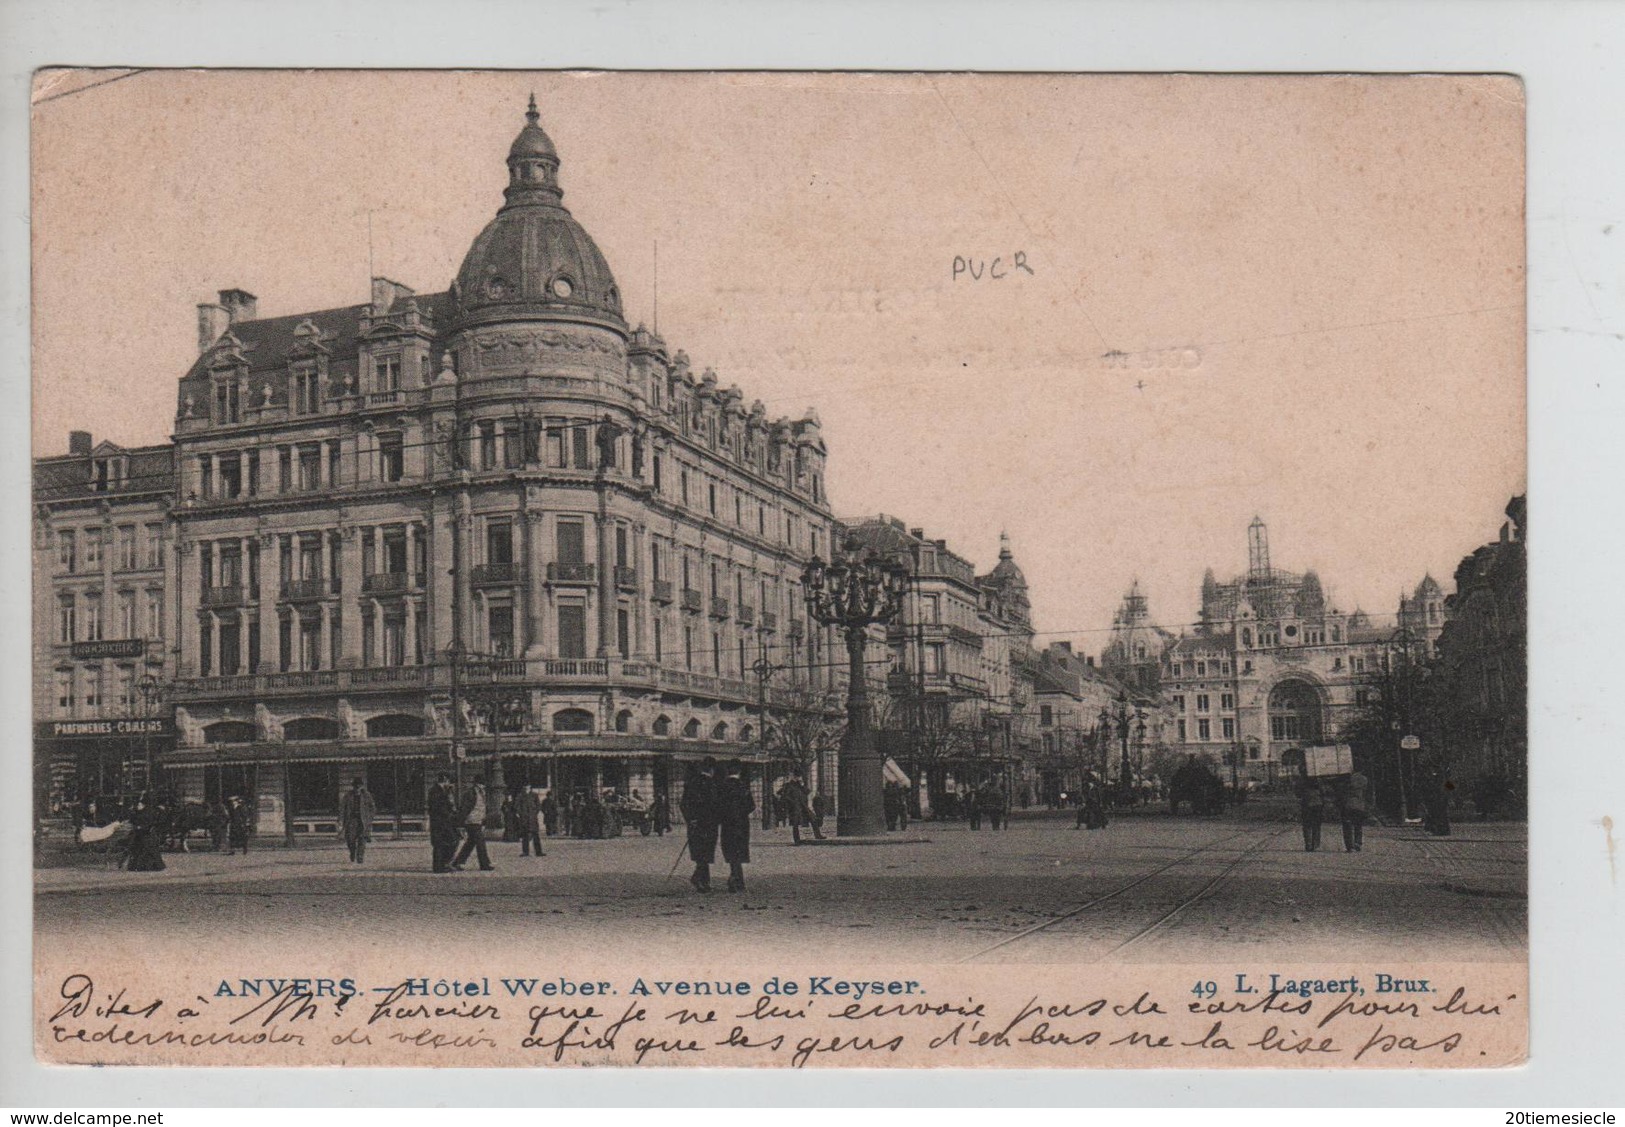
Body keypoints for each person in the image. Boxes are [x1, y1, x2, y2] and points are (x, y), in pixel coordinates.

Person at [680, 758, 721, 893]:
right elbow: (715, 805)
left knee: (700, 853)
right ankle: (699, 878)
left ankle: (704, 881)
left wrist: (690, 819)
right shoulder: (712, 784)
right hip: (709, 824)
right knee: (706, 853)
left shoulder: (691, 783)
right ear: (712, 770)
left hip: (695, 824)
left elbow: (683, 804)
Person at [717, 761, 756, 893]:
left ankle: (735, 877)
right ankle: (737, 879)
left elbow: (718, 806)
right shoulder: (743, 787)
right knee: (739, 851)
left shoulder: (722, 787)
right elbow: (752, 806)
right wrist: (741, 813)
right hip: (742, 824)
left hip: (727, 824)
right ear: (739, 772)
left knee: (731, 851)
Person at [452, 777, 495, 871]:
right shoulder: (470, 794)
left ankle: (458, 862)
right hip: (471, 821)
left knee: (471, 842)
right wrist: (460, 824)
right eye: (481, 784)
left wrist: (483, 822)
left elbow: (483, 809)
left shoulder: (482, 793)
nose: (482, 787)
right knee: (480, 842)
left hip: (478, 821)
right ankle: (484, 864)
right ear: (477, 784)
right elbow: (464, 809)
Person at [125, 792, 166, 872]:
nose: (137, 807)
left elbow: (150, 824)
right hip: (141, 834)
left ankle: (147, 866)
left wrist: (141, 827)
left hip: (147, 834)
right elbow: (133, 821)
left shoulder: (147, 813)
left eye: (139, 805)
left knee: (145, 847)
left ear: (143, 805)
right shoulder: (138, 813)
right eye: (137, 805)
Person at [340, 777, 376, 864]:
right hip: (351, 820)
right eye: (356, 787)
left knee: (362, 839)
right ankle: (352, 852)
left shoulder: (366, 795)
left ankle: (360, 856)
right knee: (350, 839)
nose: (357, 788)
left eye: (359, 786)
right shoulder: (348, 796)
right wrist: (341, 820)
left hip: (363, 820)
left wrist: (369, 818)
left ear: (362, 786)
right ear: (353, 787)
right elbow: (342, 808)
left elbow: (372, 808)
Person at [428, 773, 459, 873]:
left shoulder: (441, 790)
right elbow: (438, 806)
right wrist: (449, 814)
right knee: (441, 844)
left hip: (443, 821)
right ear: (445, 780)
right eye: (448, 781)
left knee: (445, 842)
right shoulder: (436, 790)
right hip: (439, 822)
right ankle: (440, 866)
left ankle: (443, 864)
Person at [1340, 770, 1371, 852]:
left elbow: (1341, 791)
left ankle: (1350, 846)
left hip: (1348, 804)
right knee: (1358, 824)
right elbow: (1366, 792)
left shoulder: (1346, 780)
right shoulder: (1364, 779)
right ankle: (1358, 842)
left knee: (1348, 825)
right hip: (1359, 805)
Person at [780, 773, 812, 844]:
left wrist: (802, 785)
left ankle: (818, 835)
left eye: (798, 777)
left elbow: (808, 792)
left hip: (802, 806)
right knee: (795, 824)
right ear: (793, 777)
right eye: (797, 777)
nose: (798, 778)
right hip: (794, 808)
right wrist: (793, 802)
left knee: (813, 819)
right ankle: (797, 840)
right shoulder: (789, 785)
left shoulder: (799, 785)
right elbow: (786, 796)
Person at [1297, 776, 1325, 852]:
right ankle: (1315, 844)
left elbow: (1298, 793)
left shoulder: (1302, 780)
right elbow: (1323, 791)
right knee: (1316, 824)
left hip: (1306, 803)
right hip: (1317, 803)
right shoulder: (1318, 780)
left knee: (1307, 824)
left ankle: (1308, 844)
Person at [518, 785, 545, 857]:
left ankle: (538, 852)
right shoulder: (521, 795)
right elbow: (517, 806)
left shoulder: (534, 795)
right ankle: (525, 852)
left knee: (535, 835)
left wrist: (534, 812)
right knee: (525, 836)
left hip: (532, 818)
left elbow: (538, 805)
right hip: (524, 818)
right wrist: (521, 814)